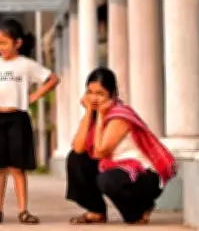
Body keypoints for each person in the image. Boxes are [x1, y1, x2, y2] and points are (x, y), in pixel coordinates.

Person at [0, 18, 60, 225]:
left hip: (18, 118)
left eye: (3, 42)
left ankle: (23, 210)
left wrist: (34, 96)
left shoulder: (26, 65)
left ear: (18, 43)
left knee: (17, 168)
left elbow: (53, 78)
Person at [65, 67, 177, 224]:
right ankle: (96, 211)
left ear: (113, 95)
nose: (94, 98)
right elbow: (78, 148)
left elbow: (99, 152)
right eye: (89, 92)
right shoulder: (95, 115)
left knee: (107, 181)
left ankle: (142, 207)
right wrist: (89, 112)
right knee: (76, 159)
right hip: (119, 170)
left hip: (143, 177)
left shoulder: (119, 116)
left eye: (100, 94)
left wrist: (101, 117)